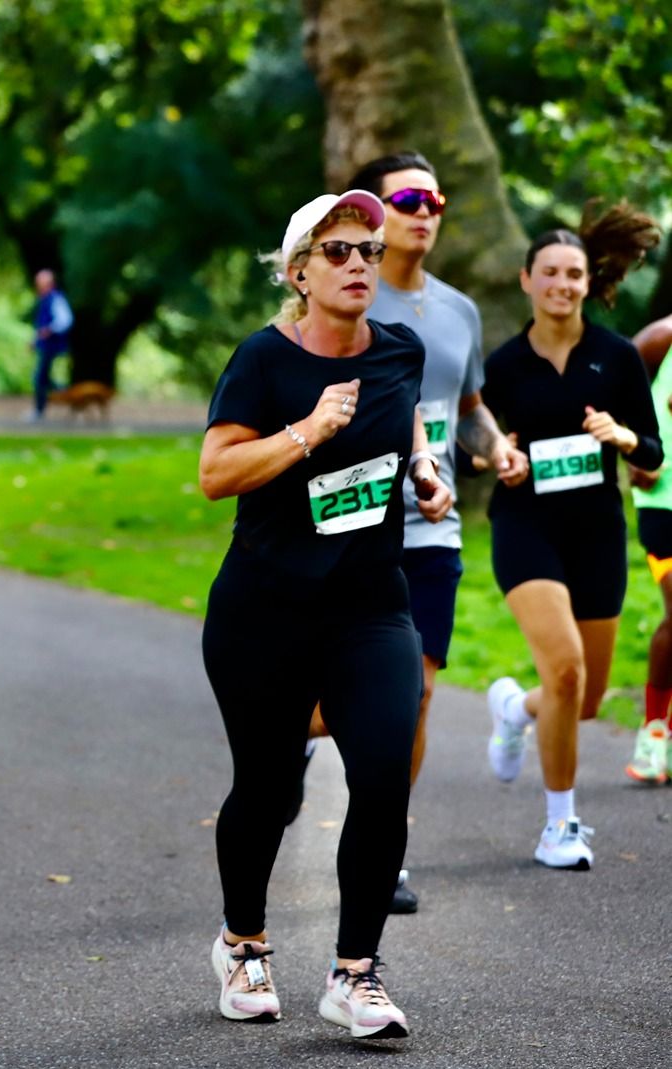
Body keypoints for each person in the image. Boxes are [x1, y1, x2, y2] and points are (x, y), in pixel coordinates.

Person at [199, 190, 450, 1040]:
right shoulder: (264, 360)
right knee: (269, 791)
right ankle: (243, 943)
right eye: (337, 251)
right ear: (298, 270)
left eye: (368, 252)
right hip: (264, 609)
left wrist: (423, 468)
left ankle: (355, 972)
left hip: (370, 605)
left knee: (382, 773)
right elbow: (216, 473)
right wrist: (305, 432)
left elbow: (403, 416)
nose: (357, 266)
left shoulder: (401, 351)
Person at [288, 152, 529, 914]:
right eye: (408, 198)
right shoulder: (344, 293)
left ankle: (383, 843)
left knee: (414, 693)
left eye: (435, 199)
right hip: (346, 524)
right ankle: (293, 732)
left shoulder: (458, 310)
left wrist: (497, 449)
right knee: (330, 692)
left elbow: (467, 408)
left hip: (433, 527)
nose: (424, 211)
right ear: (372, 216)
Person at [481, 205, 663, 868]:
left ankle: (513, 709)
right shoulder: (501, 364)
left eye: (574, 274)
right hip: (525, 526)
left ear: (589, 282)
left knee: (580, 699)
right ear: (528, 280)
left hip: (596, 532)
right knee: (564, 667)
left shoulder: (615, 357)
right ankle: (560, 826)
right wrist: (497, 455)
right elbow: (476, 440)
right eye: (550, 272)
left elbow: (654, 451)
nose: (562, 283)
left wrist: (622, 437)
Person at [627, 312, 672, 782]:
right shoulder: (662, 337)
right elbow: (616, 382)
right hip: (665, 502)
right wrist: (634, 450)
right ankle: (653, 731)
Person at [29, 268, 72, 420]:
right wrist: (36, 340)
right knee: (42, 377)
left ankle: (40, 409)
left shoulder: (55, 298)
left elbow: (65, 320)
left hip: (52, 346)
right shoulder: (45, 299)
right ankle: (62, 391)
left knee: (40, 377)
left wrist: (50, 330)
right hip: (45, 345)